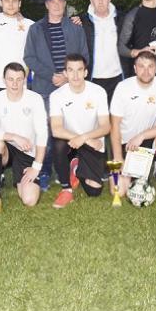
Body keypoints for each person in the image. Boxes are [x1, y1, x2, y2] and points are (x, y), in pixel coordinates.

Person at [23, 0, 89, 191]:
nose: (57, 5)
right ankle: (43, 172)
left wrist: (67, 76)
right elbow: (29, 57)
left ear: (65, 4)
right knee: (46, 133)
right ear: (46, 4)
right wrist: (51, 75)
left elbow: (84, 56)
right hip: (45, 89)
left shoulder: (75, 28)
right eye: (52, 1)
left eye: (60, 1)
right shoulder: (36, 29)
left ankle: (70, 170)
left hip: (71, 88)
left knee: (71, 129)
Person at [109, 51, 156, 202]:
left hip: (147, 140)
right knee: (119, 191)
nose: (146, 71)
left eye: (150, 66)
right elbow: (114, 126)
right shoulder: (123, 87)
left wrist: (141, 136)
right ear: (135, 68)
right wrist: (118, 158)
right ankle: (143, 166)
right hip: (126, 144)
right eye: (141, 66)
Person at [0, 62, 48, 214]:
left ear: (24, 80)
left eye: (19, 79)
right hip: (7, 148)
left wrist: (36, 167)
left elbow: (42, 134)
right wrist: (14, 137)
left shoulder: (35, 99)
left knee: (29, 200)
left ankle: (18, 178)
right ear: (4, 80)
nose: (15, 84)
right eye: (10, 79)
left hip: (27, 152)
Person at [49, 54, 111, 209]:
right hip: (70, 142)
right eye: (71, 70)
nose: (75, 75)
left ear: (86, 72)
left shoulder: (98, 92)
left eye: (79, 70)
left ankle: (76, 168)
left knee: (94, 191)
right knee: (58, 144)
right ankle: (66, 189)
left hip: (93, 142)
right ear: (65, 73)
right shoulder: (56, 95)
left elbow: (105, 126)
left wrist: (85, 138)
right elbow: (56, 129)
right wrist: (83, 138)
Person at [76, 0, 125, 103]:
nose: (101, 1)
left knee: (117, 114)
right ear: (91, 1)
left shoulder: (122, 19)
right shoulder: (82, 22)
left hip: (118, 77)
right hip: (92, 78)